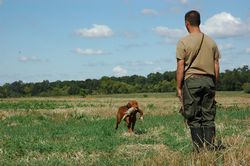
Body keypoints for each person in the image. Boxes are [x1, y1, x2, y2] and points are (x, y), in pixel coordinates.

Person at [176, 10, 220, 152]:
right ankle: (210, 149)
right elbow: (216, 65)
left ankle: (199, 151)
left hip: (192, 81)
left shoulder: (183, 41)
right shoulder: (211, 41)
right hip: (209, 81)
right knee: (208, 116)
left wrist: (179, 87)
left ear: (187, 23)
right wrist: (214, 84)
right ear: (199, 22)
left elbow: (181, 66)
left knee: (194, 117)